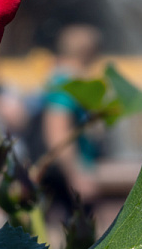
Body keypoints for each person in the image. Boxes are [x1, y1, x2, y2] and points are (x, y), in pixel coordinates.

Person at [38, 24, 104, 211]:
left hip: (69, 172)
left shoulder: (63, 79)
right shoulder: (66, 84)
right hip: (67, 176)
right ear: (89, 52)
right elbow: (57, 133)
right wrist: (75, 175)